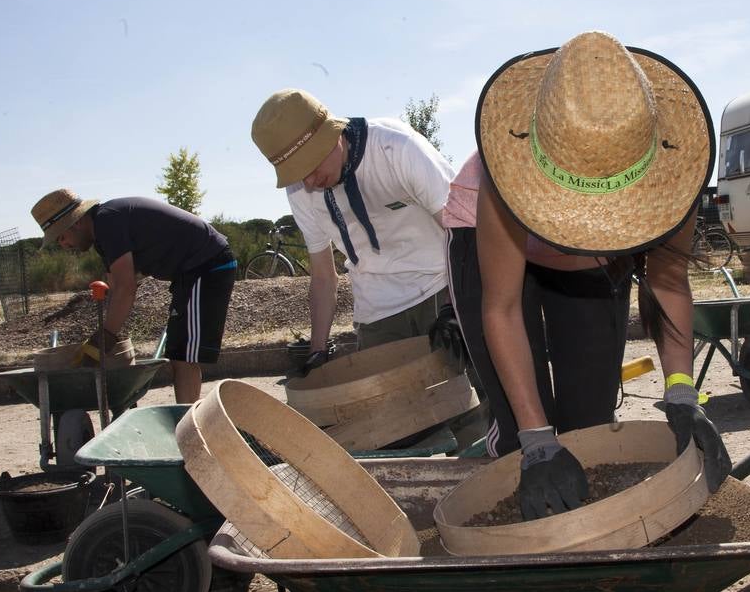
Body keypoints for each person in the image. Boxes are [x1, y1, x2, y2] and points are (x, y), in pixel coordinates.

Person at [461, 30, 731, 520]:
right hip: (492, 251)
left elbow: (668, 282)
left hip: (594, 269)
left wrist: (681, 392)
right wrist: (538, 441)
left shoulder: (675, 170)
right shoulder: (501, 179)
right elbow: (499, 308)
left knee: (590, 421)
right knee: (522, 425)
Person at [250, 89, 456, 368]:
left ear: (332, 134)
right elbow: (324, 277)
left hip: (441, 285)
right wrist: (317, 352)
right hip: (377, 308)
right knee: (392, 408)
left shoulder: (396, 148)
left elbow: (465, 233)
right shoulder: (300, 189)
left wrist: (456, 305)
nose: (309, 183)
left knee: (464, 401)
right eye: (296, 172)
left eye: (308, 165)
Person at [30, 190, 236, 404]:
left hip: (207, 265)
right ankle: (185, 420)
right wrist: (103, 335)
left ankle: (188, 427)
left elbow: (126, 288)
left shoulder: (108, 223)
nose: (63, 244)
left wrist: (104, 338)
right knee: (178, 353)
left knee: (184, 356)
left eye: (61, 236)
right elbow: (117, 285)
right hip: (191, 271)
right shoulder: (103, 232)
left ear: (77, 222)